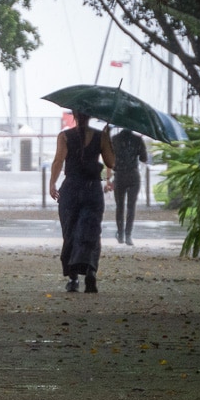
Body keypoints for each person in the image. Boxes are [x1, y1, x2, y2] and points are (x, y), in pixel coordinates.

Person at [49, 111, 114, 293]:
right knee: (91, 231)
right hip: (92, 189)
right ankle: (90, 272)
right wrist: (107, 140)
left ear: (75, 116)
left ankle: (73, 279)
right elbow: (111, 162)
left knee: (70, 232)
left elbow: (58, 160)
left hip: (71, 188)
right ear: (90, 116)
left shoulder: (64, 136)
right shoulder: (101, 136)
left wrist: (52, 183)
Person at [106, 128, 147, 245]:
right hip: (133, 175)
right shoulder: (138, 140)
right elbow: (144, 158)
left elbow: (109, 160)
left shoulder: (114, 140)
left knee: (119, 206)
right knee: (131, 206)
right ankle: (128, 235)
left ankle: (120, 234)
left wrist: (108, 179)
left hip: (119, 176)